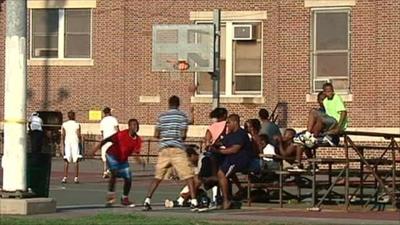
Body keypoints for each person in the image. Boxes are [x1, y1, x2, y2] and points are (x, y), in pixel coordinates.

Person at [143, 95, 198, 211]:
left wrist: (165, 136)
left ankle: (147, 200)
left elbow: (156, 134)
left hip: (164, 149)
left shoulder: (161, 117)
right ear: (178, 104)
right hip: (177, 149)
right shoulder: (182, 116)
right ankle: (194, 201)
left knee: (158, 177)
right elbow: (183, 135)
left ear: (168, 104)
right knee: (188, 176)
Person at [92, 118, 142, 207]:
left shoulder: (138, 140)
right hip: (111, 155)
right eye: (133, 125)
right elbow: (106, 140)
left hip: (122, 160)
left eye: (136, 125)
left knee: (128, 178)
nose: (135, 127)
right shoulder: (121, 134)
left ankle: (124, 198)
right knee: (114, 173)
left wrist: (139, 160)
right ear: (129, 126)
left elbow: (135, 153)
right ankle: (110, 199)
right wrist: (95, 149)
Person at [210, 114, 253, 209]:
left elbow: (234, 149)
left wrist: (219, 151)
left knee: (222, 174)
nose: (227, 125)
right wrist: (214, 144)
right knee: (220, 170)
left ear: (235, 122)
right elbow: (220, 142)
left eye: (229, 123)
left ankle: (226, 200)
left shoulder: (241, 134)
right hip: (231, 160)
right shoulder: (230, 135)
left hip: (240, 160)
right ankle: (234, 192)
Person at [61, 111, 83, 184]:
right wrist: (80, 140)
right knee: (76, 160)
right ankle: (76, 178)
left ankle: (65, 177)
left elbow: (63, 135)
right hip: (75, 143)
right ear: (74, 116)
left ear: (68, 116)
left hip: (67, 142)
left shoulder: (64, 124)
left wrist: (63, 143)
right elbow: (78, 134)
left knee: (66, 160)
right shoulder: (77, 124)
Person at [100, 107, 119, 178]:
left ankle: (105, 171)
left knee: (105, 157)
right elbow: (117, 130)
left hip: (105, 140)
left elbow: (102, 132)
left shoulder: (102, 121)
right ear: (109, 112)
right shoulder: (114, 119)